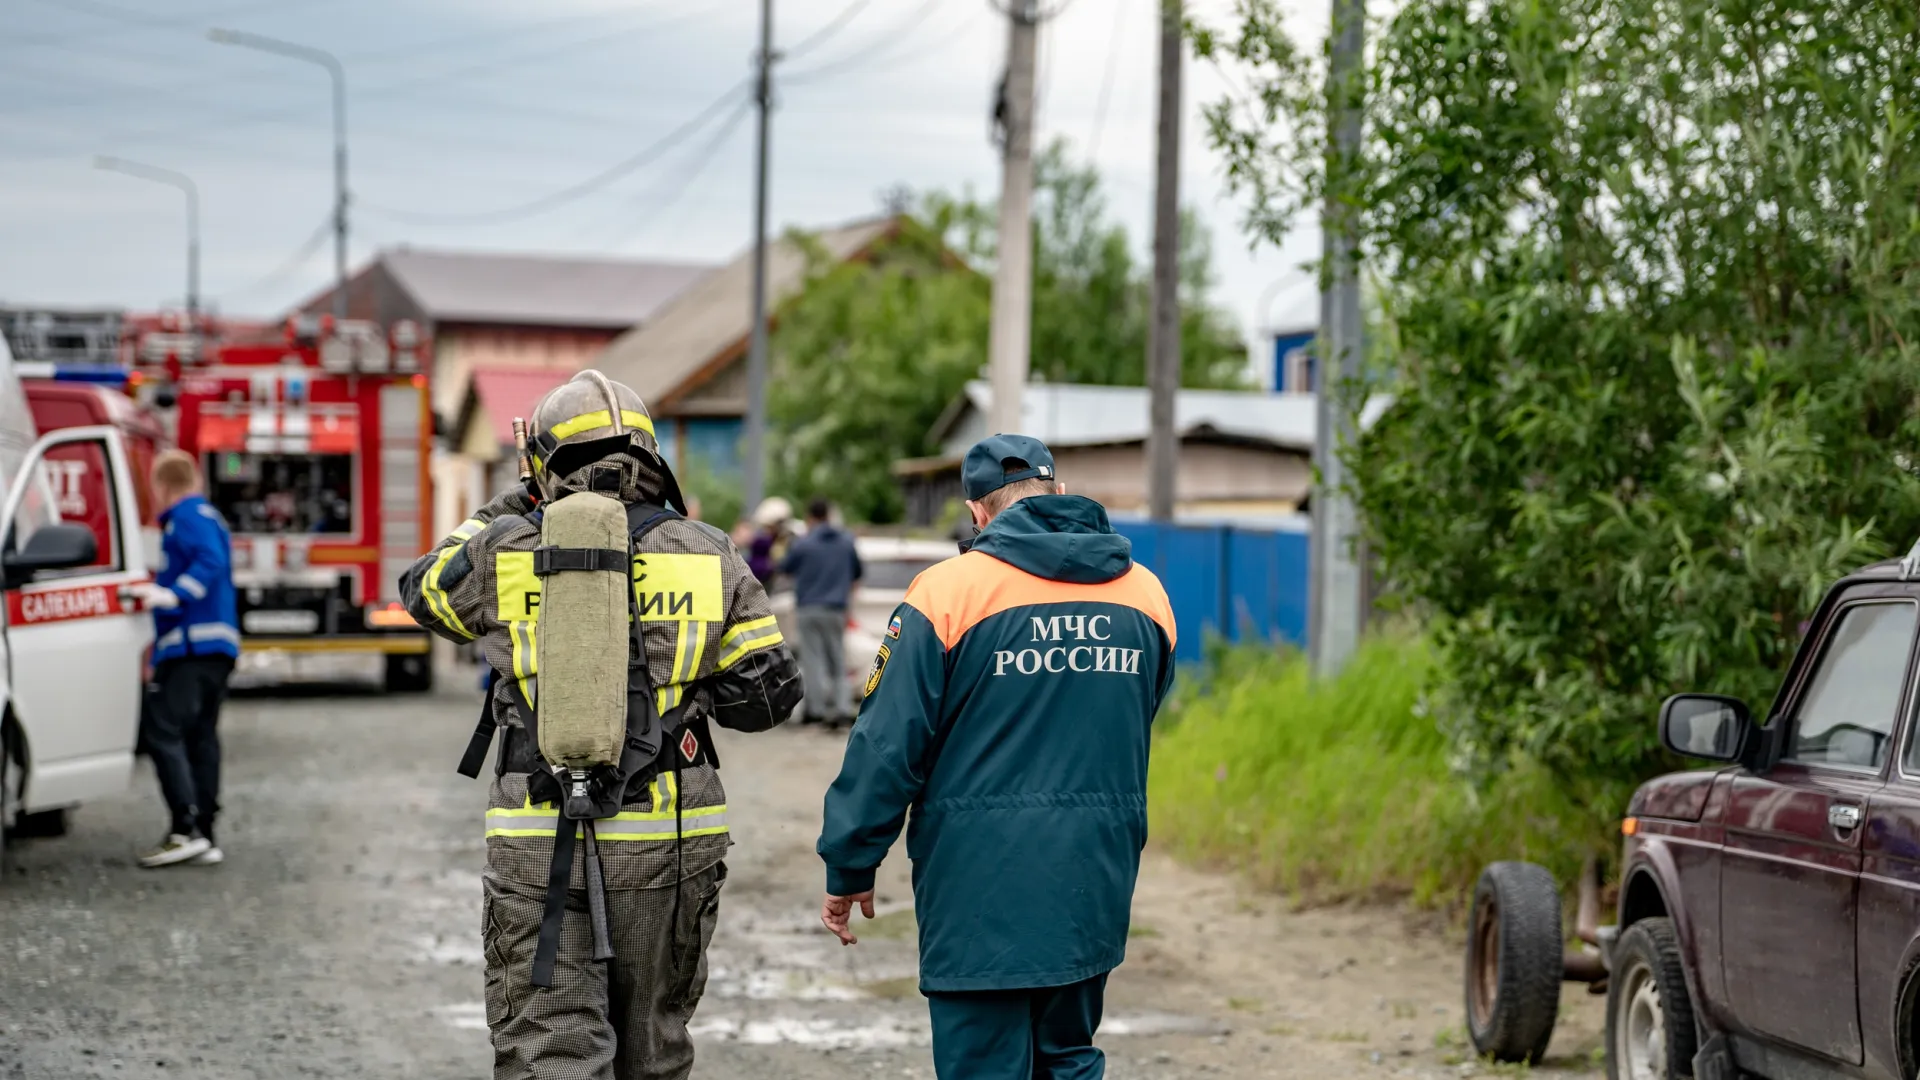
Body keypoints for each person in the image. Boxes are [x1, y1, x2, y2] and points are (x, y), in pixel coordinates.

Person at [400, 370, 801, 1080]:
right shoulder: (709, 551)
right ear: (650, 458)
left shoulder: (504, 549)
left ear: (546, 465)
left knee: (550, 1050)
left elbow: (423, 590)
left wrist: (507, 506)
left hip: (535, 835)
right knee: (655, 1049)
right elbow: (765, 699)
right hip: (672, 841)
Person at [815, 434, 1176, 1080]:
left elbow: (887, 744)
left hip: (977, 894)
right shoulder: (1144, 594)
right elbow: (1137, 717)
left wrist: (850, 862)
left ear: (977, 512)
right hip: (1091, 881)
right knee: (1068, 1059)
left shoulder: (947, 594)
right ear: (1058, 494)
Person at [132, 450, 240, 869]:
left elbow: (209, 561)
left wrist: (173, 594)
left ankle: (185, 828)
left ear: (162, 485)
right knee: (201, 737)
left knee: (163, 731)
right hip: (216, 649)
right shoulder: (209, 515)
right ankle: (206, 833)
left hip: (191, 647)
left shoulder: (186, 516)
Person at [781, 498, 863, 728]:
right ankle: (842, 709)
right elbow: (857, 575)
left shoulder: (803, 544)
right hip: (836, 609)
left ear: (810, 517)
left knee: (812, 660)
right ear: (829, 515)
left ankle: (815, 711)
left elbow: (785, 568)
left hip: (808, 609)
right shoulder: (846, 542)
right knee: (838, 659)